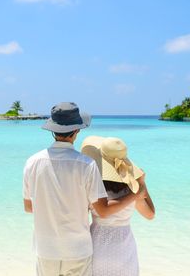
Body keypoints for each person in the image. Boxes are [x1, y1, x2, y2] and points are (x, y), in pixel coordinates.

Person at [23, 102, 146, 276]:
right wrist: (137, 194)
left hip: (45, 249)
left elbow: (29, 207)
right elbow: (102, 210)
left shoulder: (32, 162)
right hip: (77, 250)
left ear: (53, 130)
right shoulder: (86, 165)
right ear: (77, 131)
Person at [81, 136, 155, 276]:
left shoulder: (94, 184)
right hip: (124, 245)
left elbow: (87, 213)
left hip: (98, 242)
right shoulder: (132, 187)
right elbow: (150, 214)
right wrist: (142, 184)